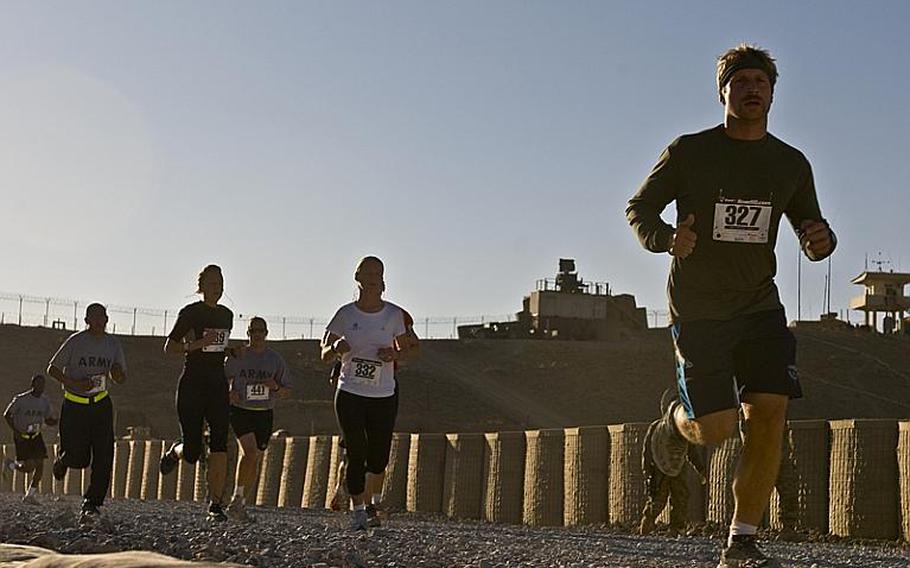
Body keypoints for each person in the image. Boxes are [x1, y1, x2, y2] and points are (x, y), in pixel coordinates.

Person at [625, 44, 835, 567]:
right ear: (724, 92)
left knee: (769, 414)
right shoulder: (690, 151)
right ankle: (672, 426)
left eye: (761, 83)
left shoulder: (789, 163)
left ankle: (741, 540)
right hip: (698, 310)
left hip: (760, 308)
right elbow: (640, 207)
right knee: (715, 429)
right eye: (741, 81)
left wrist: (820, 241)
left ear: (773, 93)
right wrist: (666, 238)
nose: (752, 89)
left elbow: (813, 230)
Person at [321, 256, 419, 530]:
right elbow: (324, 353)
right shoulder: (345, 315)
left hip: (384, 394)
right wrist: (336, 349)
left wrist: (394, 354)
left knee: (378, 459)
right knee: (355, 451)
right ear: (358, 278)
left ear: (383, 280)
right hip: (350, 391)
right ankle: (360, 511)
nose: (373, 277)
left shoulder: (394, 315)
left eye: (378, 272)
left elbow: (411, 350)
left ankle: (366, 502)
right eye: (368, 272)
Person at [159, 264, 236, 522]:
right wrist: (196, 344)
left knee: (219, 444)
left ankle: (216, 505)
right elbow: (169, 347)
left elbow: (218, 347)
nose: (218, 288)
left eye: (220, 283)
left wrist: (231, 351)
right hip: (192, 384)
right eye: (212, 283)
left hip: (217, 385)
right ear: (201, 287)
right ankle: (175, 451)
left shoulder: (227, 315)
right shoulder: (190, 313)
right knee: (192, 452)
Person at [46, 303, 127, 522]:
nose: (101, 321)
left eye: (104, 317)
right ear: (87, 320)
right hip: (75, 405)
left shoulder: (113, 344)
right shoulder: (76, 341)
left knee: (104, 454)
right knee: (79, 458)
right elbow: (52, 369)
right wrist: (73, 382)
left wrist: (117, 373)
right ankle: (64, 460)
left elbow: (120, 377)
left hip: (101, 404)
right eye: (96, 317)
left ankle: (92, 502)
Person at [224, 316, 292, 521]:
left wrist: (276, 387)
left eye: (261, 331)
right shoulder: (238, 356)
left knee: (254, 458)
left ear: (267, 334)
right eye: (253, 331)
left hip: (264, 412)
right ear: (248, 334)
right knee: (250, 452)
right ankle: (236, 499)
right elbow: (220, 378)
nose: (258, 335)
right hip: (241, 409)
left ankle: (241, 501)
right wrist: (229, 392)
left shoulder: (275, 360)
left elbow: (287, 390)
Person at [639, 415, 707, 537]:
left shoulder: (684, 428)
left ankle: (676, 529)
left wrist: (700, 469)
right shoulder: (657, 427)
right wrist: (647, 471)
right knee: (658, 499)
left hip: (679, 468)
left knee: (680, 498)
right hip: (659, 469)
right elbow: (648, 451)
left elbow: (691, 451)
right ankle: (647, 523)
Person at [2, 374, 58, 504]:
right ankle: (11, 464)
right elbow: (7, 415)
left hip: (36, 436)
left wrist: (57, 421)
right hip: (22, 436)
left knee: (40, 466)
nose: (41, 387)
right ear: (32, 385)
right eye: (38, 384)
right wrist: (16, 431)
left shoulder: (45, 401)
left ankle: (30, 495)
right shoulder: (21, 399)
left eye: (43, 384)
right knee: (29, 467)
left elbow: (48, 419)